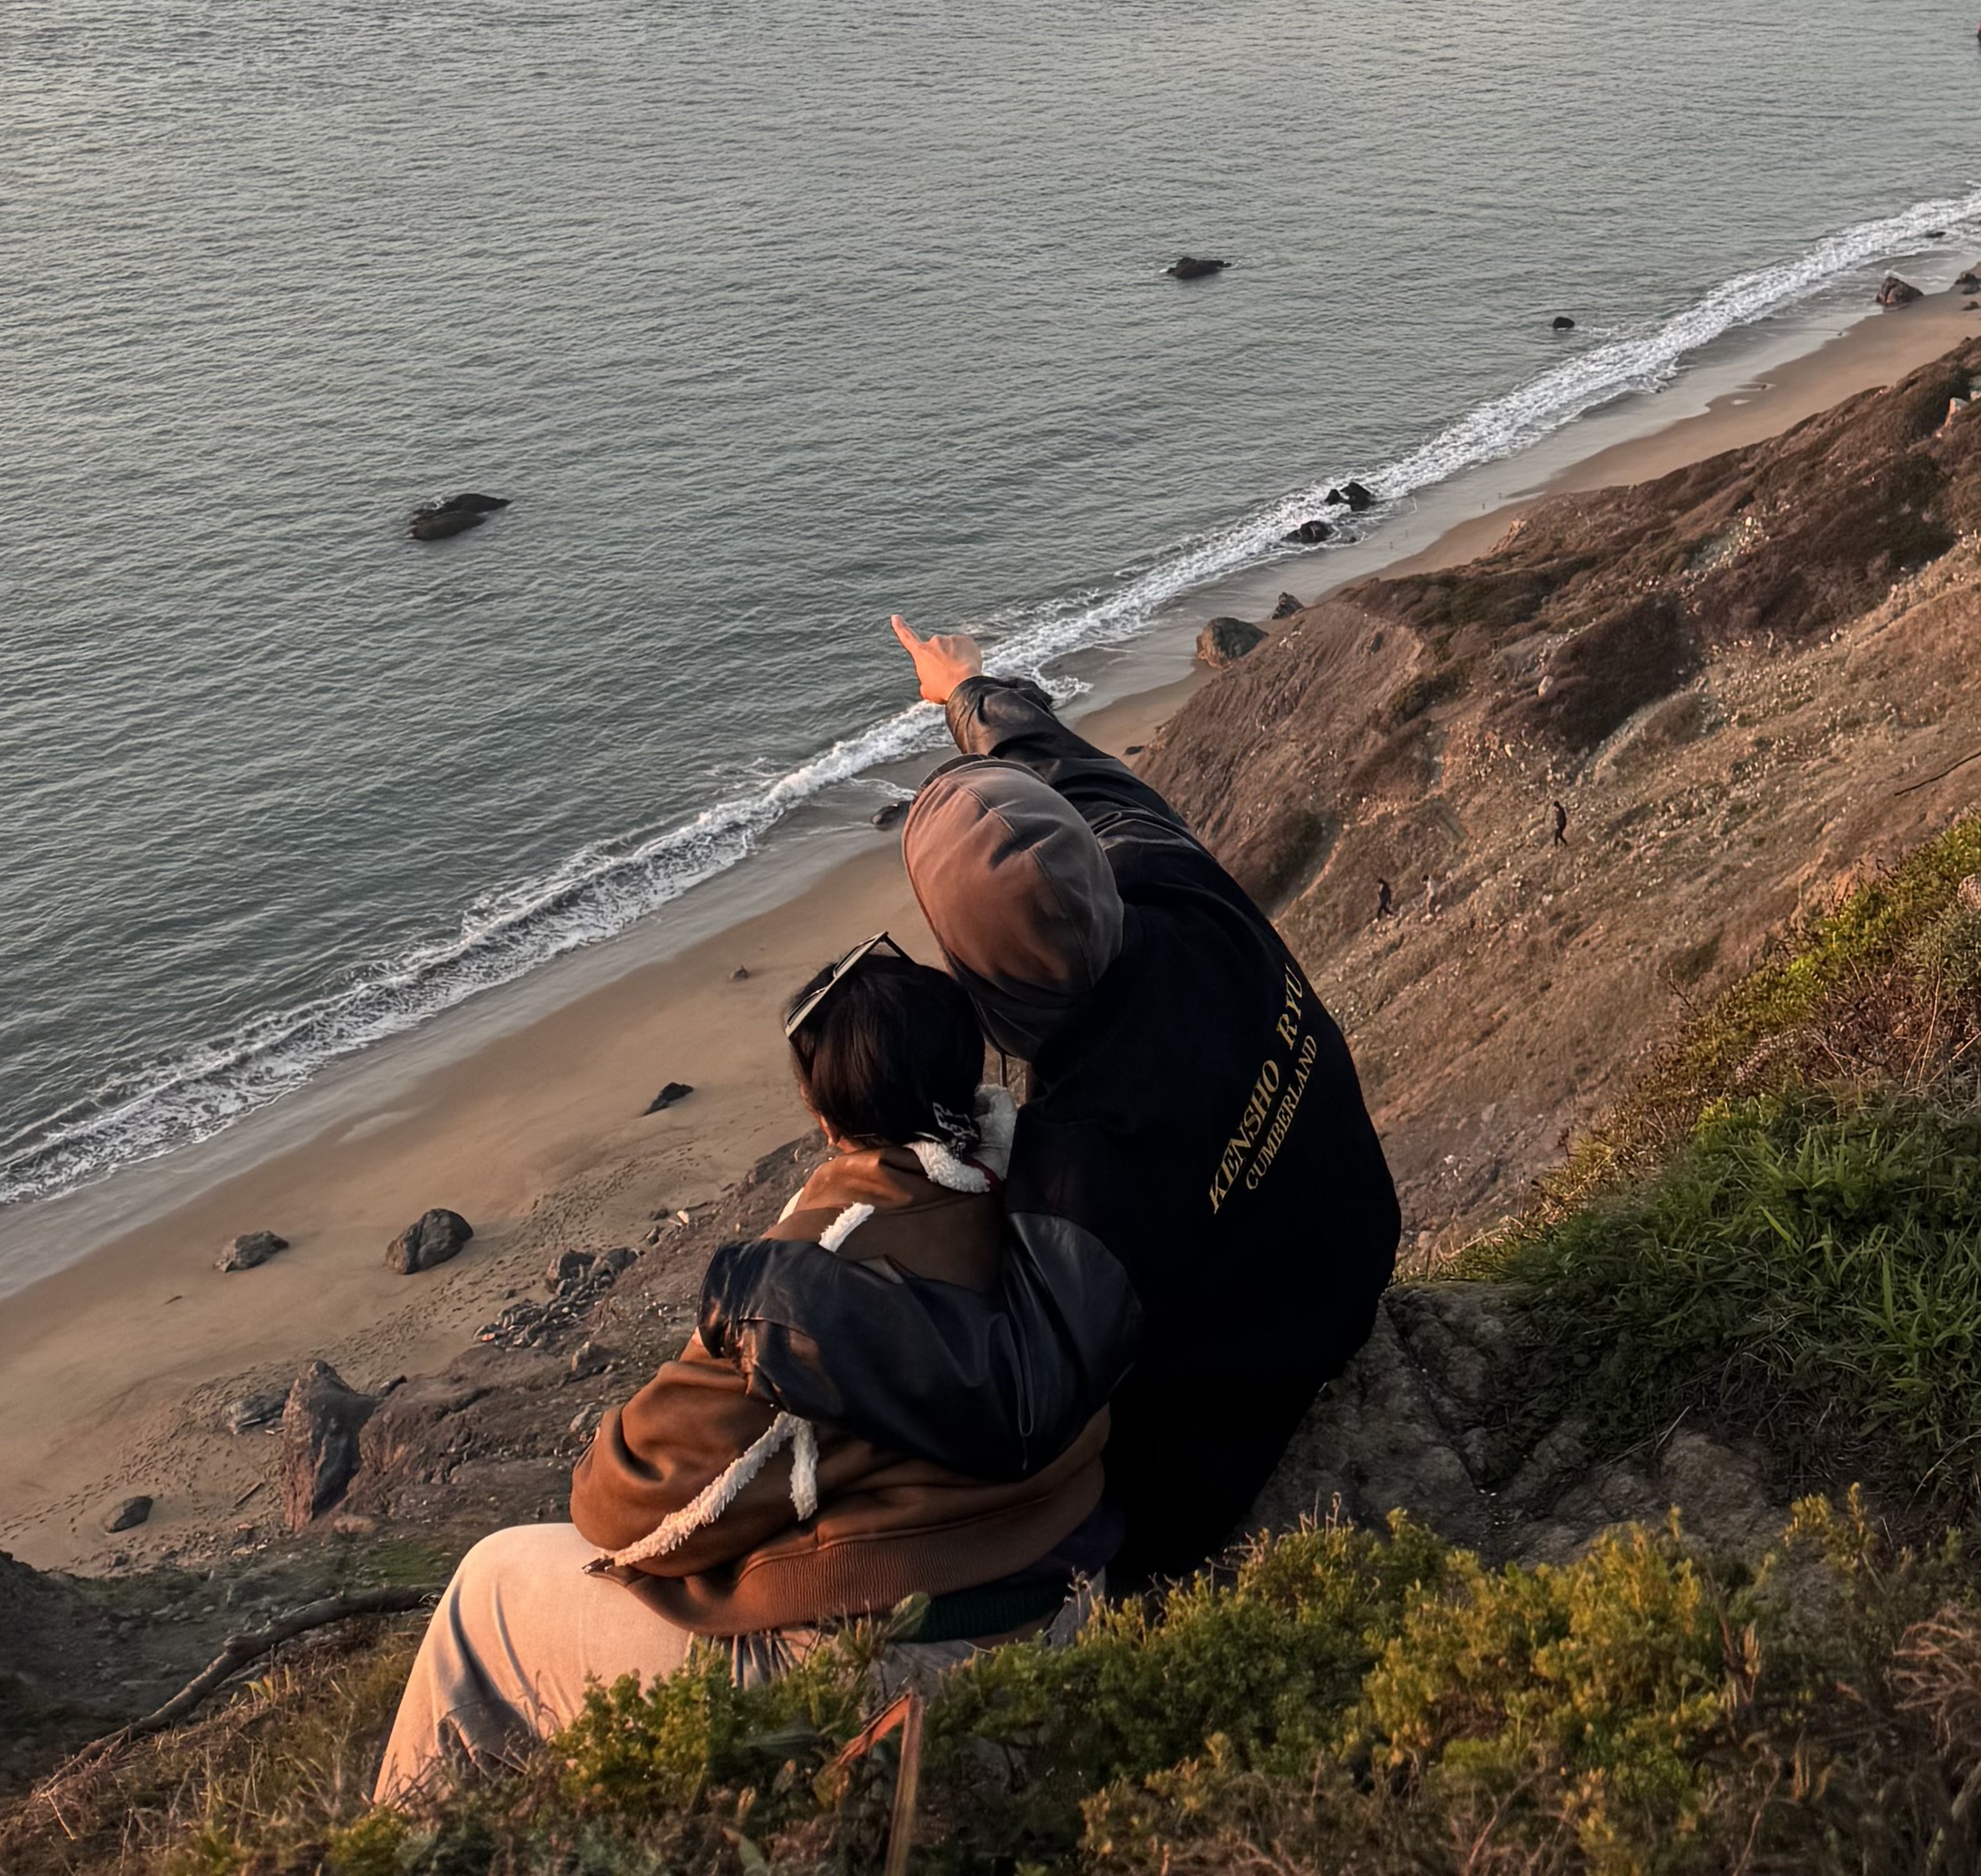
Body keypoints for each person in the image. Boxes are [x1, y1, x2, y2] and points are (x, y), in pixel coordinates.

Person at [692, 617, 1401, 1590]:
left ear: (969, 973)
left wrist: (766, 1294)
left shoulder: (1079, 1160)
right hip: (1351, 1256)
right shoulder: (1169, 878)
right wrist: (964, 694)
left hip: (1236, 1433)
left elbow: (1018, 1394)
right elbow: (1053, 764)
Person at [374, 935, 1110, 1795]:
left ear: (823, 1112)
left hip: (921, 1669)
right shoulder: (1044, 1177)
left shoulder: (819, 1277)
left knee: (486, 1591)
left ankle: (411, 1845)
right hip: (1071, 1597)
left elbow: (630, 1506)